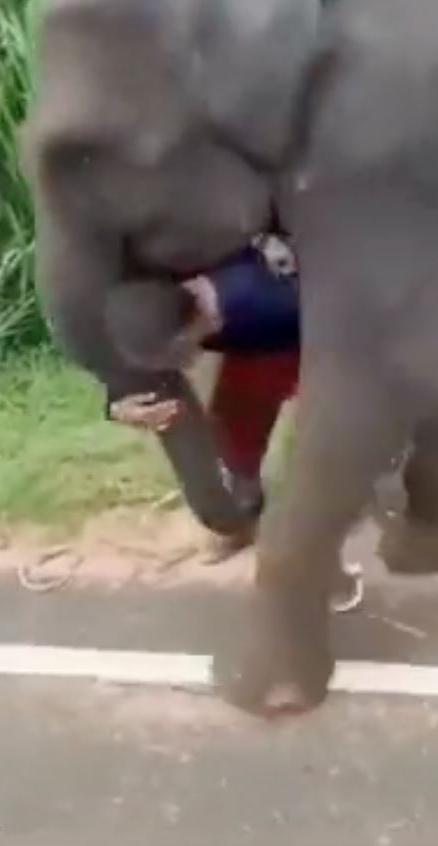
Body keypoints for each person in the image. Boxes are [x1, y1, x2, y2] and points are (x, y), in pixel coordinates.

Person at [102, 234, 363, 608]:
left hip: (316, 334)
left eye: (178, 352)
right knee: (233, 428)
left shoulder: (269, 300)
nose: (182, 364)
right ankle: (243, 514)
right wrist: (117, 401)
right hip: (250, 342)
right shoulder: (163, 296)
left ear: (199, 321)